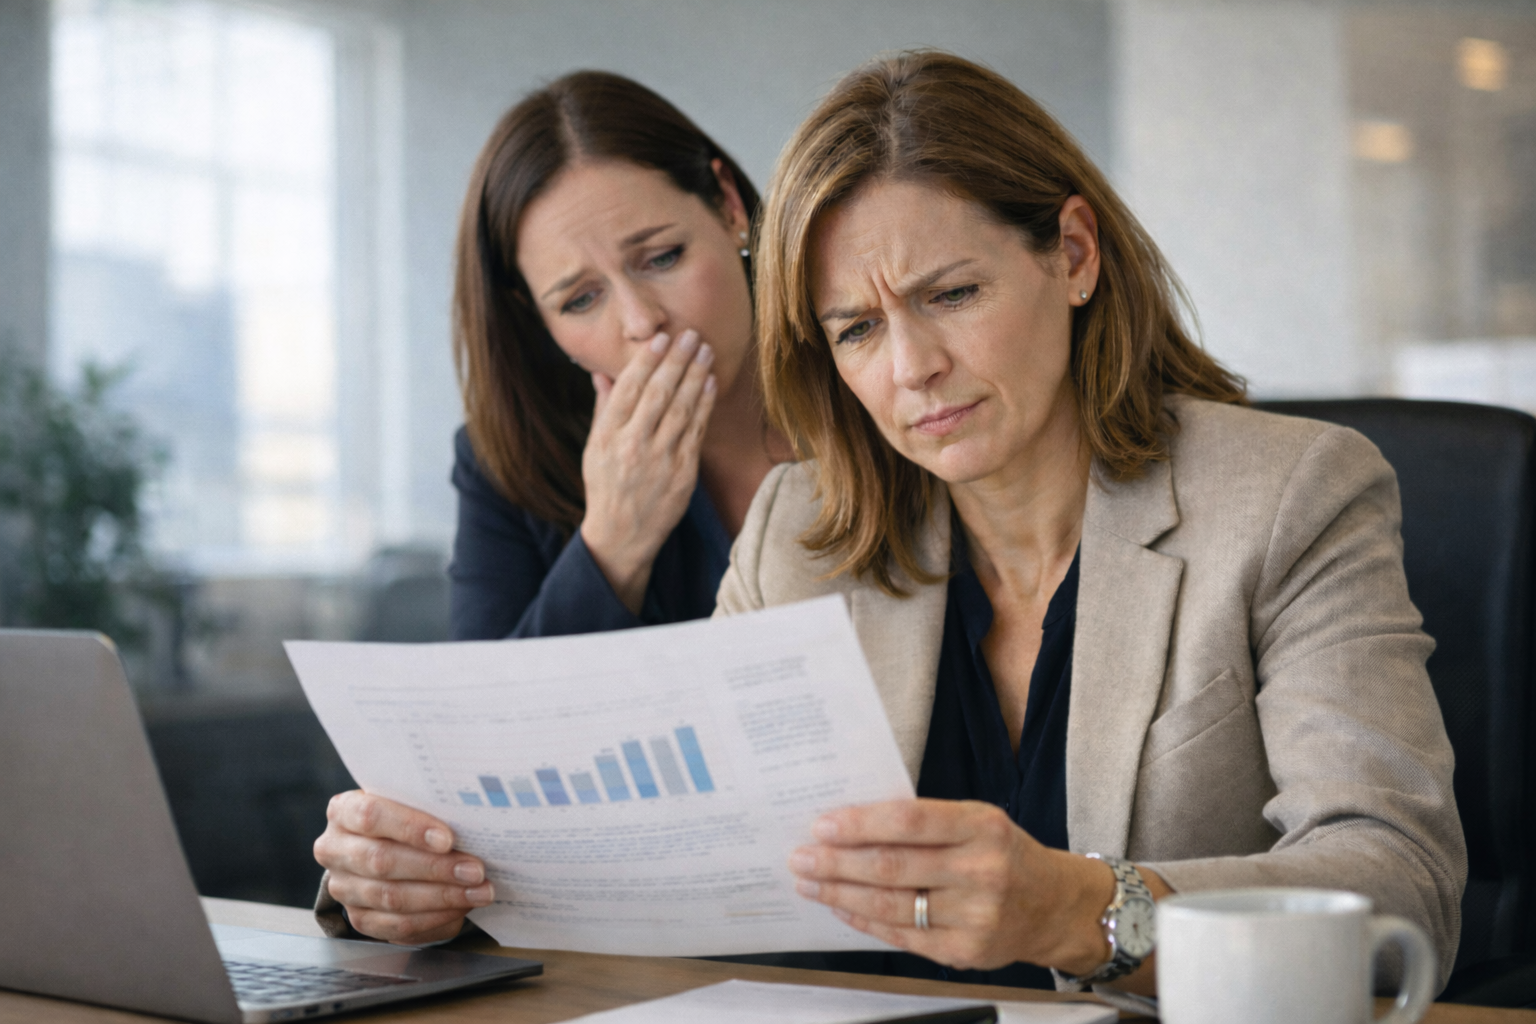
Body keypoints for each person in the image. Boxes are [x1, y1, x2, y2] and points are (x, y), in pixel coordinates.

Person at [719, 50, 1466, 996]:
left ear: (1074, 254)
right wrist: (487, 888)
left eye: (951, 295)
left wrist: (1079, 912)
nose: (912, 368)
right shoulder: (794, 531)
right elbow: (704, 857)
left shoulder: (1290, 495)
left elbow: (1403, 886)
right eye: (856, 329)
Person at [311, 71, 786, 944]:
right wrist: (613, 542)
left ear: (728, 205)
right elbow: (473, 781)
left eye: (663, 257)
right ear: (540, 323)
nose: (641, 321)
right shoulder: (507, 462)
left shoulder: (885, 391)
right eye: (581, 299)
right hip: (638, 960)